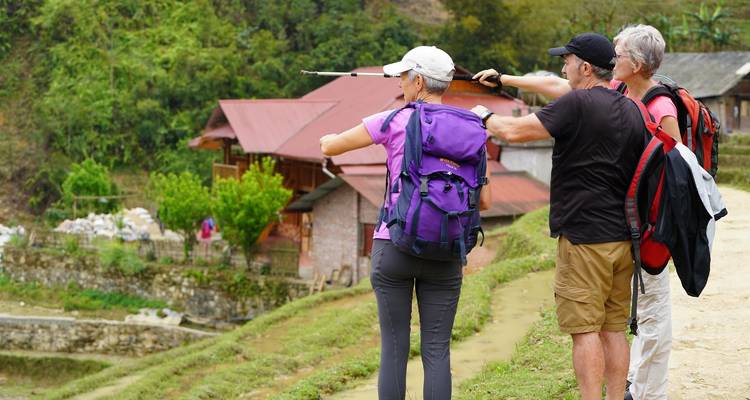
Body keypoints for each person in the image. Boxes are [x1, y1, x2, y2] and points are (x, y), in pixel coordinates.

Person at [474, 25, 679, 400]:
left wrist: (482, 114)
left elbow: (512, 132)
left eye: (567, 60)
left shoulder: (576, 104)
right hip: (623, 238)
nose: (564, 66)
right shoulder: (631, 108)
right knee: (614, 329)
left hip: (585, 239)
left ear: (585, 67)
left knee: (584, 331)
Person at [319, 46, 490, 400]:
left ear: (419, 81)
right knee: (437, 351)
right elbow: (483, 201)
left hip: (394, 244)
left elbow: (332, 148)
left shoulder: (395, 120)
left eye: (403, 75)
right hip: (446, 251)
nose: (400, 82)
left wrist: (326, 140)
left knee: (394, 350)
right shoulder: (471, 129)